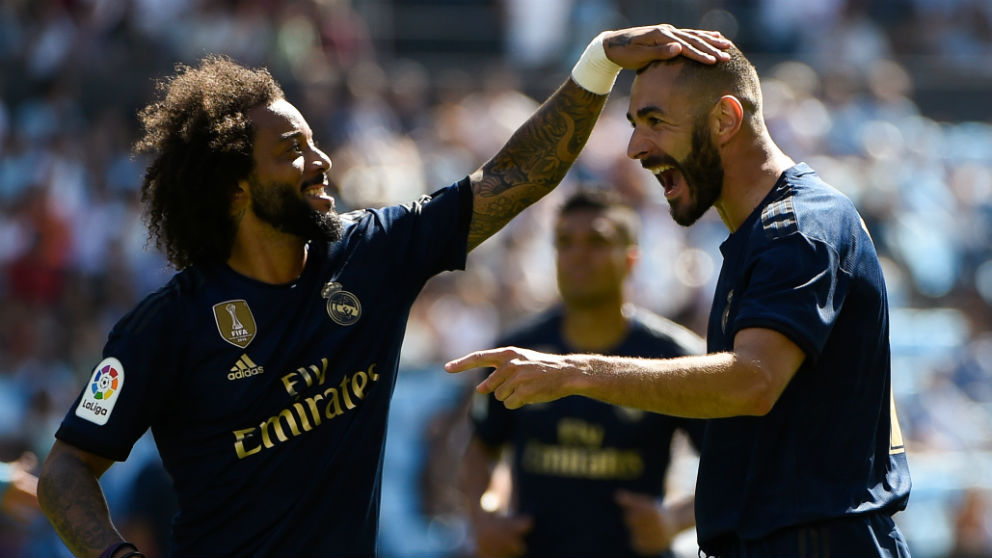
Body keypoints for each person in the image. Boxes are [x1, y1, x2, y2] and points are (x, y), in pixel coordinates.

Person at [35, 25, 731, 558]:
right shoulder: (165, 327)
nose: (321, 160)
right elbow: (66, 468)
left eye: (314, 140)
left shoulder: (371, 255)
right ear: (236, 188)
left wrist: (599, 60)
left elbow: (515, 175)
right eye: (293, 151)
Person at [445, 42, 913, 557]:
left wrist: (570, 374)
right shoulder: (760, 236)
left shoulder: (798, 228)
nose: (634, 148)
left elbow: (752, 381)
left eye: (654, 121)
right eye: (633, 123)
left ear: (725, 119)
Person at [460, 188, 706, 558]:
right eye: (565, 242)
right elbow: (481, 448)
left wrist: (674, 520)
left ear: (632, 259)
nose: (578, 255)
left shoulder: (675, 355)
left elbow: (735, 465)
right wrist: (485, 516)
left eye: (596, 241)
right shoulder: (520, 349)